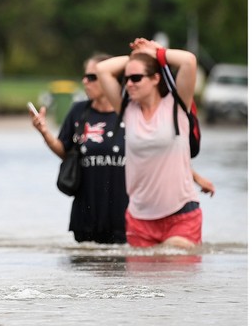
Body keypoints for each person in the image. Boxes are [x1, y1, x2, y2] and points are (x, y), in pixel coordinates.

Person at [96, 38, 202, 249]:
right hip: (139, 218)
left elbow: (188, 61)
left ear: (155, 78)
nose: (129, 84)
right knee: (142, 282)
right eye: (126, 79)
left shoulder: (177, 104)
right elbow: (102, 70)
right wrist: (137, 56)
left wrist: (156, 52)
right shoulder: (127, 110)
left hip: (181, 214)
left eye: (136, 78)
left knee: (174, 258)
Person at [30, 54, 128, 244]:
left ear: (111, 79)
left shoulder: (130, 112)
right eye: (84, 76)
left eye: (92, 77)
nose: (85, 81)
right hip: (86, 214)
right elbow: (65, 151)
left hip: (124, 215)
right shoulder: (79, 111)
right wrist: (44, 132)